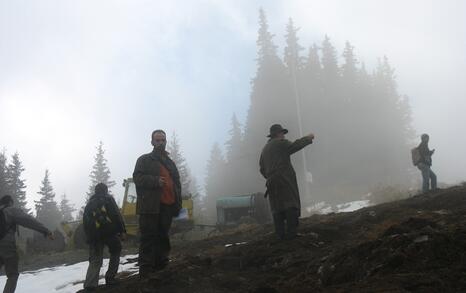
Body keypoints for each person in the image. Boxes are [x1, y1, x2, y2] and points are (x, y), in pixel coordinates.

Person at [133, 130, 182, 282]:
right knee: (148, 237)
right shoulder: (144, 160)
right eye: (157, 140)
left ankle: (162, 264)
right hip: (150, 207)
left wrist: (177, 204)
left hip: (167, 206)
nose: (160, 142)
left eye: (162, 140)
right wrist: (155, 181)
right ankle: (146, 270)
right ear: (152, 142)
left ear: (165, 141)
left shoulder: (170, 163)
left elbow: (177, 184)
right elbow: (137, 178)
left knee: (163, 236)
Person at [260, 124, 314, 240]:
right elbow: (295, 145)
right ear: (278, 134)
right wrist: (308, 138)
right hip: (284, 180)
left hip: (271, 183)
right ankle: (292, 234)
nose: (283, 135)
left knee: (277, 208)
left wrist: (270, 176)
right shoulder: (280, 143)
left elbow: (262, 168)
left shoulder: (265, 149)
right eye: (282, 133)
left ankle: (280, 235)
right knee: (290, 204)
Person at [0, 195, 54, 293]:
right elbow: (29, 221)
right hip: (6, 245)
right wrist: (46, 231)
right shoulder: (10, 210)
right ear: (10, 202)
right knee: (12, 275)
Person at [83, 183, 126, 292]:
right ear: (105, 190)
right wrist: (122, 231)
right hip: (109, 233)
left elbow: (85, 223)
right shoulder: (108, 199)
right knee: (116, 250)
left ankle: (90, 285)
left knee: (95, 259)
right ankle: (110, 277)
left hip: (94, 236)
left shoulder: (89, 204)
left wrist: (89, 237)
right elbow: (116, 215)